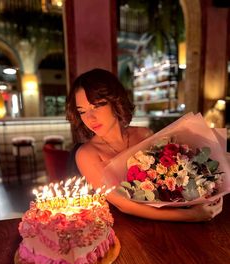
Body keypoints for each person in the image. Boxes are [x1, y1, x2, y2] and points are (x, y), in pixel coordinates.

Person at [66, 68, 223, 222]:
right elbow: (123, 205)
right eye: (82, 111)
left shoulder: (144, 134)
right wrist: (191, 216)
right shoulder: (87, 154)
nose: (90, 118)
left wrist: (201, 190)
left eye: (97, 106)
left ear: (115, 101)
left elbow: (170, 178)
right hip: (124, 231)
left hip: (167, 219)